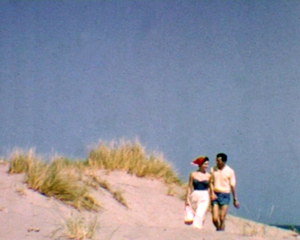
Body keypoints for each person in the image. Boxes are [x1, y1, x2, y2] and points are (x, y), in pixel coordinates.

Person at [209, 153, 240, 231]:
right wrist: (212, 193)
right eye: (216, 160)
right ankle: (219, 228)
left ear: (223, 161)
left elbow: (232, 185)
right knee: (215, 218)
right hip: (215, 194)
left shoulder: (230, 171)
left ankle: (221, 231)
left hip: (225, 194)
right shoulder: (213, 169)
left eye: (219, 160)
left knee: (222, 217)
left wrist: (235, 199)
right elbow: (210, 182)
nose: (217, 162)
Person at [185, 156, 211, 230]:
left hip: (205, 195)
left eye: (207, 164)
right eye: (205, 164)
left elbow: (210, 188)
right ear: (200, 164)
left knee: (201, 212)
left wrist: (210, 196)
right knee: (195, 212)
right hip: (195, 194)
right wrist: (187, 198)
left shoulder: (209, 176)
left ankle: (198, 228)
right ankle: (197, 228)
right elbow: (189, 187)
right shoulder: (193, 174)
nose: (206, 166)